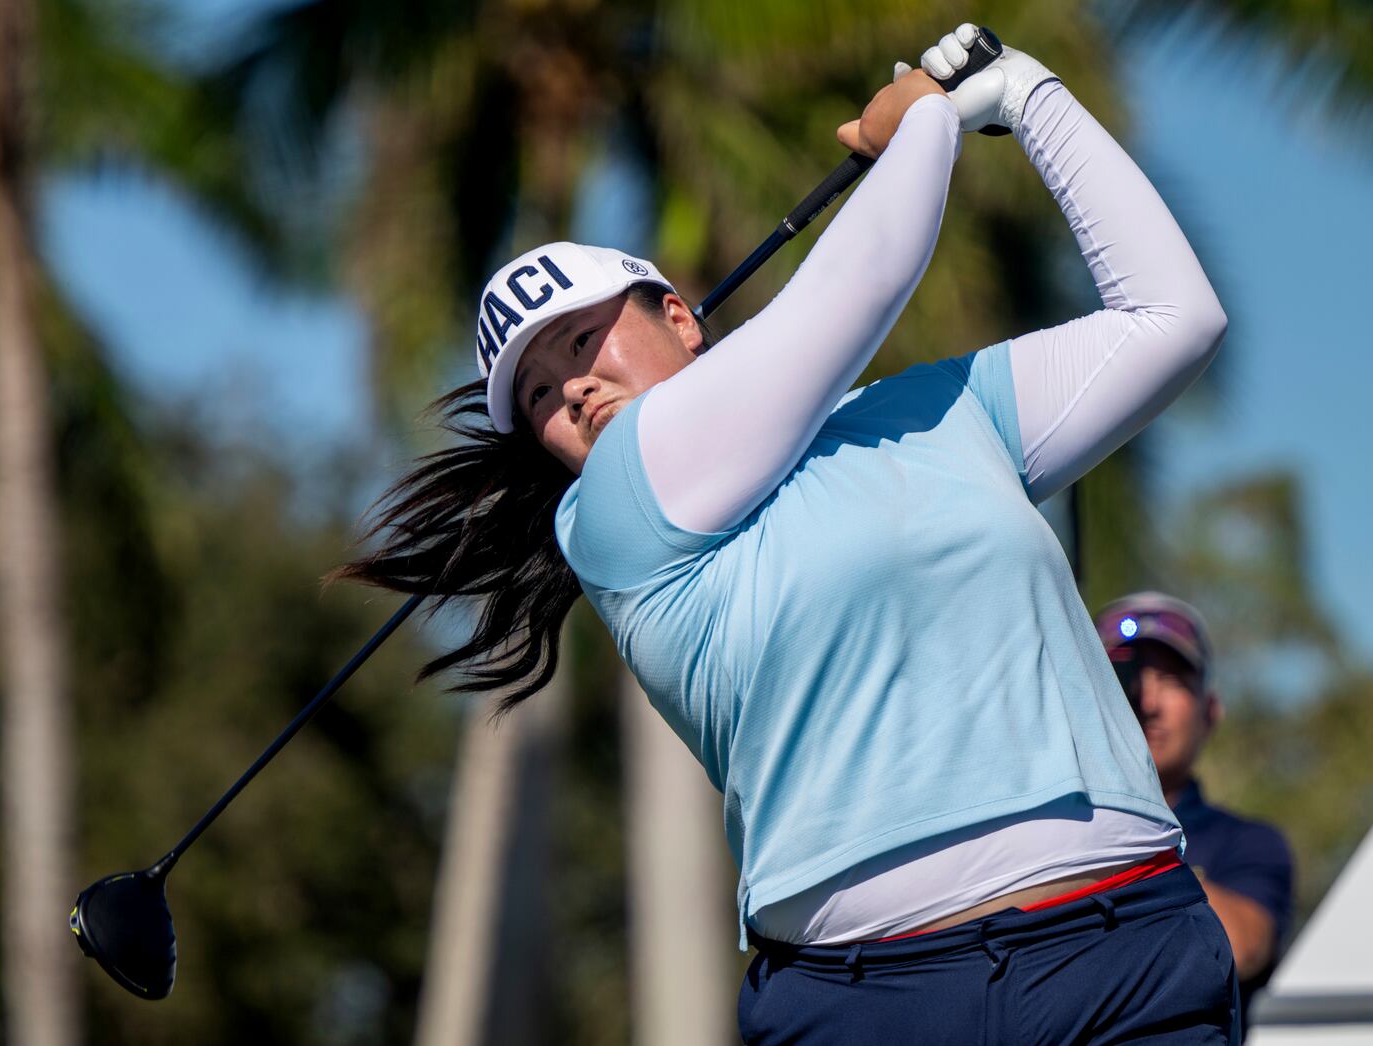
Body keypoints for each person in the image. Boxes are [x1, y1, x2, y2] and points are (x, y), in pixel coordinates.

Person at [346, 25, 1238, 1043]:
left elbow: (1174, 317)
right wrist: (927, 122)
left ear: (681, 318)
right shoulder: (613, 515)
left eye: (584, 339)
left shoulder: (935, 413)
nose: (574, 388)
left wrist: (1028, 94)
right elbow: (855, 287)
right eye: (541, 393)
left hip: (1124, 951)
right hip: (874, 1002)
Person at [1097, 592, 1295, 1024]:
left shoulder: (1251, 843)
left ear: (1210, 712)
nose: (1146, 702)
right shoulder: (1047, 828)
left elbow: (1240, 947)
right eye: (1123, 677)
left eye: (1171, 679)